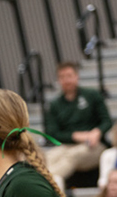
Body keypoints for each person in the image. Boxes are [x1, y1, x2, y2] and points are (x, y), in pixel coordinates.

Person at [43, 61, 112, 189]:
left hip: (94, 145)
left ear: (77, 76)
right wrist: (75, 136)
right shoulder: (55, 104)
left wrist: (97, 132)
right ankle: (47, 182)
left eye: (69, 76)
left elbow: (107, 121)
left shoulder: (92, 95)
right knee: (46, 157)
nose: (66, 80)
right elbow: (52, 133)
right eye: (62, 77)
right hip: (67, 145)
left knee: (72, 156)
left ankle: (45, 182)